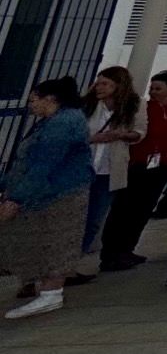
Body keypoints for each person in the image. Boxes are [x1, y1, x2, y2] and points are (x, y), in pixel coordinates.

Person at [0, 77, 91, 318]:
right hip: (46, 192)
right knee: (43, 242)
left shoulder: (61, 124)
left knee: (54, 241)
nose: (30, 105)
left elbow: (44, 164)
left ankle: (51, 293)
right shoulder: (55, 121)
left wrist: (15, 198)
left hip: (56, 194)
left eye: (33, 99)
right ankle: (47, 290)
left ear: (50, 99)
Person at [99, 67, 167, 271]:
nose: (153, 92)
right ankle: (110, 252)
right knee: (123, 207)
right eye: (152, 88)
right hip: (138, 163)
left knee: (143, 208)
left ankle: (127, 249)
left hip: (163, 164)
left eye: (158, 88)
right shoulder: (143, 107)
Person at [80, 66, 145, 265]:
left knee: (94, 219)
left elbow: (140, 131)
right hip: (83, 167)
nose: (100, 87)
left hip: (108, 169)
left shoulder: (134, 104)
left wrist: (121, 135)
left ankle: (74, 260)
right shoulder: (87, 104)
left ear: (119, 85)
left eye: (106, 83)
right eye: (98, 83)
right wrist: (94, 138)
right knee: (75, 217)